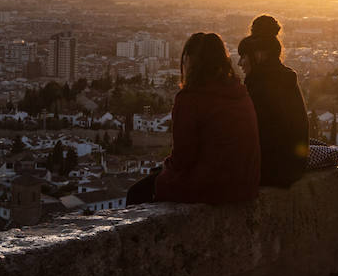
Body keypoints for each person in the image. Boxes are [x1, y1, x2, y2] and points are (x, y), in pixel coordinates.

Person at [125, 32, 260, 205]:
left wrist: (164, 169)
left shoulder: (190, 99)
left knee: (137, 193)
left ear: (190, 61)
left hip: (213, 188)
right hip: (246, 187)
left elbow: (183, 159)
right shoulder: (240, 93)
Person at [237, 15, 309, 187]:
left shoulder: (260, 86)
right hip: (293, 168)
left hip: (271, 171)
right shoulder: (285, 77)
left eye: (243, 57)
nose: (240, 63)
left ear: (259, 55)